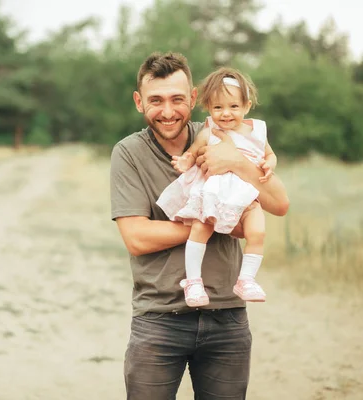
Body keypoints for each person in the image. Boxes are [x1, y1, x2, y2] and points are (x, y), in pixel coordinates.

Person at [110, 51, 289, 399]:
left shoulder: (227, 133)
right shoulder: (128, 153)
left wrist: (238, 162)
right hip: (159, 318)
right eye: (155, 100)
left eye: (177, 99)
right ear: (138, 102)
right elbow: (136, 237)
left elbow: (279, 204)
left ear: (193, 98)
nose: (167, 111)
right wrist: (214, 220)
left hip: (227, 316)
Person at [156, 67, 275, 308]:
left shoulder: (257, 131)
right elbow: (192, 153)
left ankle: (246, 279)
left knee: (258, 232)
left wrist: (269, 164)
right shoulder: (209, 131)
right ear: (209, 108)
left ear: (247, 106)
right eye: (218, 107)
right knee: (200, 229)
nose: (226, 114)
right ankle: (193, 281)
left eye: (233, 107)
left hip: (247, 196)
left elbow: (270, 154)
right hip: (215, 193)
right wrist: (184, 161)